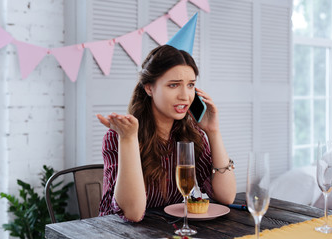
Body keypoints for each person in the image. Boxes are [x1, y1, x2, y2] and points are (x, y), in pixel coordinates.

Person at [97, 45, 236, 222]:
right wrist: (129, 139)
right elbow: (133, 213)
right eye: (173, 85)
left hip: (169, 230)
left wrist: (213, 131)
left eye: (191, 85)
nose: (185, 96)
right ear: (149, 88)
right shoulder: (120, 136)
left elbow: (226, 196)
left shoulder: (191, 135)